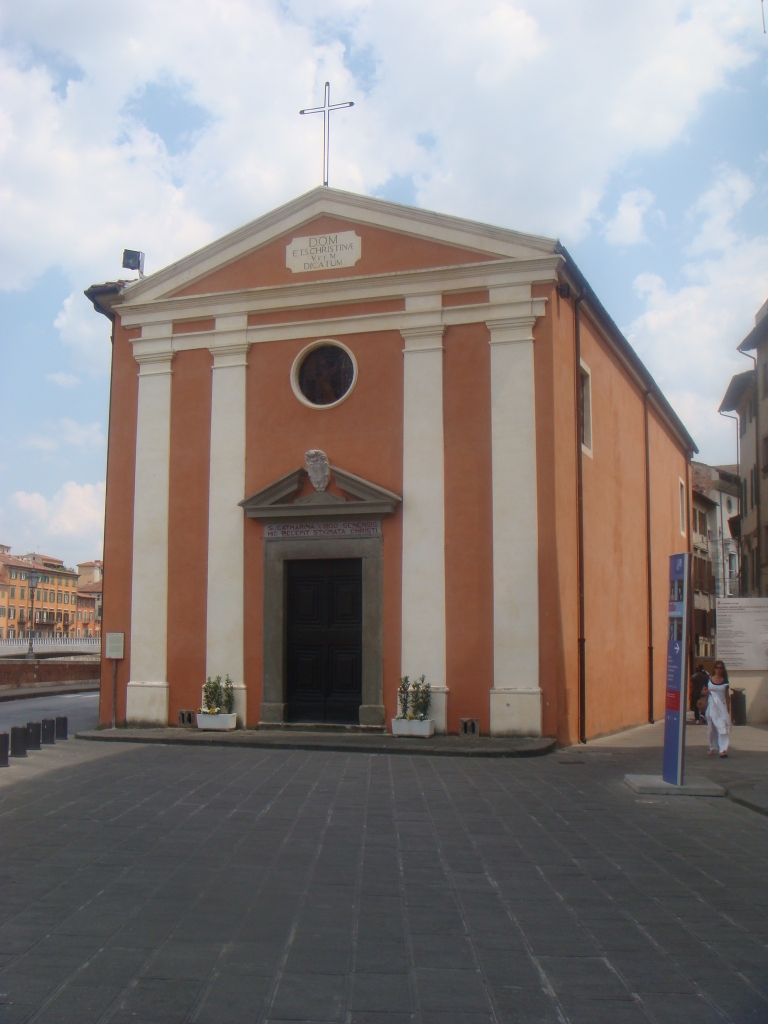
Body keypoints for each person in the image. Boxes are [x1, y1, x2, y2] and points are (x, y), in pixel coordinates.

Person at [705, 660, 732, 758]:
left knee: (722, 728)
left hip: (721, 707)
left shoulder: (725, 681)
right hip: (711, 706)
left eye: (720, 668)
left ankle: (722, 750)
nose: (718, 670)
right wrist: (706, 692)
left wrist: (728, 708)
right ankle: (712, 747)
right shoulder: (709, 679)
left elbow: (726, 695)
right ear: (714, 669)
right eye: (717, 667)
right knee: (711, 729)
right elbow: (703, 691)